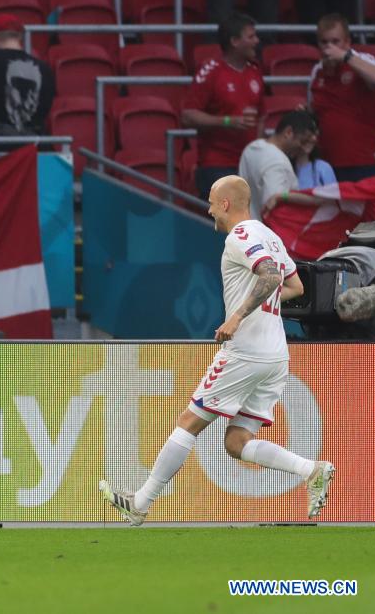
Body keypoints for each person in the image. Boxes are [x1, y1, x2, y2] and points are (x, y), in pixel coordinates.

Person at [99, 175, 335, 525]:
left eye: (211, 202)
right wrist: (259, 304)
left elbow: (271, 276)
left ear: (225, 203)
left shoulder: (240, 236)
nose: (209, 210)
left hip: (246, 352)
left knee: (189, 422)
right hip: (275, 356)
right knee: (236, 441)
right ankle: (311, 470)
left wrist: (237, 316)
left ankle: (140, 504)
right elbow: (295, 286)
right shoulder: (270, 236)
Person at [182, 12, 266, 198]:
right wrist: (227, 121)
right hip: (217, 165)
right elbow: (188, 116)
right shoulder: (211, 71)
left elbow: (261, 116)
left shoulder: (255, 70)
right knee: (230, 215)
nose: (257, 41)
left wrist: (257, 152)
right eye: (251, 37)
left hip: (248, 164)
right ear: (234, 41)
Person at [308, 13, 375, 182]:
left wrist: (345, 56)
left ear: (348, 42)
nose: (329, 48)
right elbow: (316, 110)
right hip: (329, 164)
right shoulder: (317, 71)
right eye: (324, 42)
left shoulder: (363, 60)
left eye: (335, 42)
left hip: (366, 162)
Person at [238, 109, 319, 220]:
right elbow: (275, 211)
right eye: (302, 141)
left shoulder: (252, 147)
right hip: (265, 229)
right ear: (288, 132)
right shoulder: (278, 163)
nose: (304, 148)